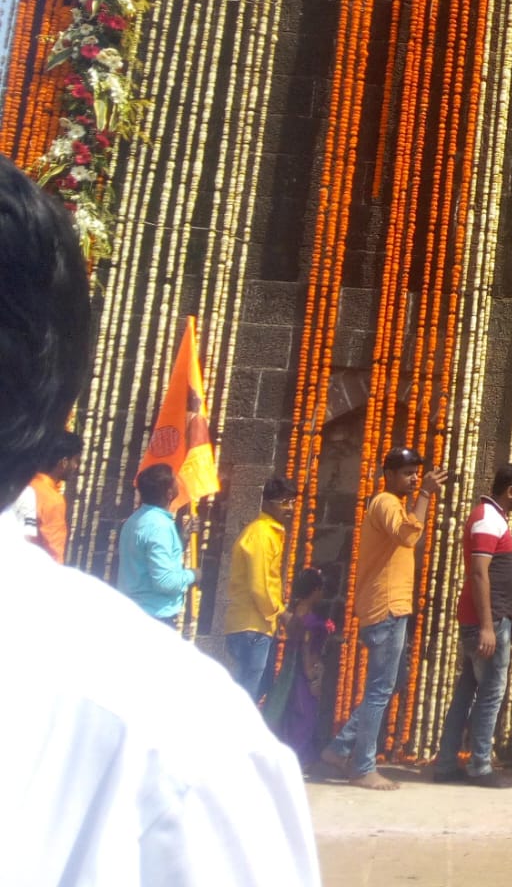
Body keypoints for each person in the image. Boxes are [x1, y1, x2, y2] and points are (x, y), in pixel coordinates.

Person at [0, 153, 319, 884]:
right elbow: (172, 575)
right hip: (204, 624)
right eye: (283, 501)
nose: (284, 509)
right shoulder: (176, 735)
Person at [322, 444, 447, 790]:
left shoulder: (392, 505)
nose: (412, 479)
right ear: (388, 474)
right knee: (380, 689)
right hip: (387, 607)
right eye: (407, 473)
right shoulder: (385, 503)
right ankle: (362, 768)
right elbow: (408, 535)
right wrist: (425, 495)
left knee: (385, 686)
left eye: (416, 474)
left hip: (392, 607)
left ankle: (340, 749)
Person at [429, 462, 512, 785]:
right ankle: (479, 764)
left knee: (467, 691)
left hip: (486, 619)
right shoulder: (488, 519)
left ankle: (447, 763)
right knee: (491, 691)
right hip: (486, 621)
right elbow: (479, 573)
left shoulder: (492, 518)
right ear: (511, 491)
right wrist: (489, 626)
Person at [226, 475, 298, 700]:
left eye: (292, 502)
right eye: (284, 502)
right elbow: (260, 586)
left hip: (256, 624)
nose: (290, 508)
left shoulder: (269, 533)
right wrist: (281, 614)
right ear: (267, 503)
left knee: (251, 688)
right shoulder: (261, 534)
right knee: (247, 692)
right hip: (252, 625)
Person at [264, 567, 336, 770]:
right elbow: (307, 648)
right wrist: (312, 676)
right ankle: (297, 759)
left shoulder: (293, 615)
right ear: (314, 591)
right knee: (305, 715)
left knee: (292, 712)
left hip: (291, 671)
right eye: (320, 589)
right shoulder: (310, 622)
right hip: (304, 673)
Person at [117, 461, 197, 625]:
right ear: (169, 493)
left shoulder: (135, 520)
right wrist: (194, 575)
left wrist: (182, 539)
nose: (179, 483)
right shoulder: (159, 527)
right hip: (153, 616)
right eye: (175, 480)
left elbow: (145, 560)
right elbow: (165, 582)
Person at [29, 428, 81, 561]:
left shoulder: (23, 484)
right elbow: (54, 552)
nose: (76, 466)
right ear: (63, 462)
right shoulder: (52, 500)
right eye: (75, 460)